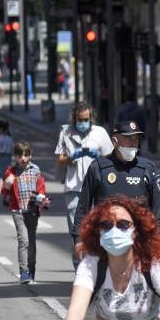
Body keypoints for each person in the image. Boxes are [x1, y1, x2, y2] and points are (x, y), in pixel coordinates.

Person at [57, 104, 117, 261]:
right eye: (79, 120)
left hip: (97, 188)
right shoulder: (66, 132)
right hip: (74, 188)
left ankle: (99, 267)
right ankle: (80, 272)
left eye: (86, 120)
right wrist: (72, 157)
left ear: (91, 119)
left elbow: (111, 160)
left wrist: (98, 157)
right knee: (78, 234)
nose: (82, 123)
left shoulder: (100, 133)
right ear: (74, 119)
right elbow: (60, 160)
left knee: (99, 230)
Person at [1, 141, 49, 284]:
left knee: (32, 243)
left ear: (30, 155)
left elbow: (41, 189)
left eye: (26, 155)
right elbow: (4, 192)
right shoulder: (11, 172)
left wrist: (42, 199)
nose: (23, 158)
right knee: (24, 240)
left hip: (32, 211)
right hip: (18, 211)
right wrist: (7, 185)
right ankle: (24, 272)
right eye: (19, 155)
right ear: (15, 157)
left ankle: (31, 269)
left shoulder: (35, 170)